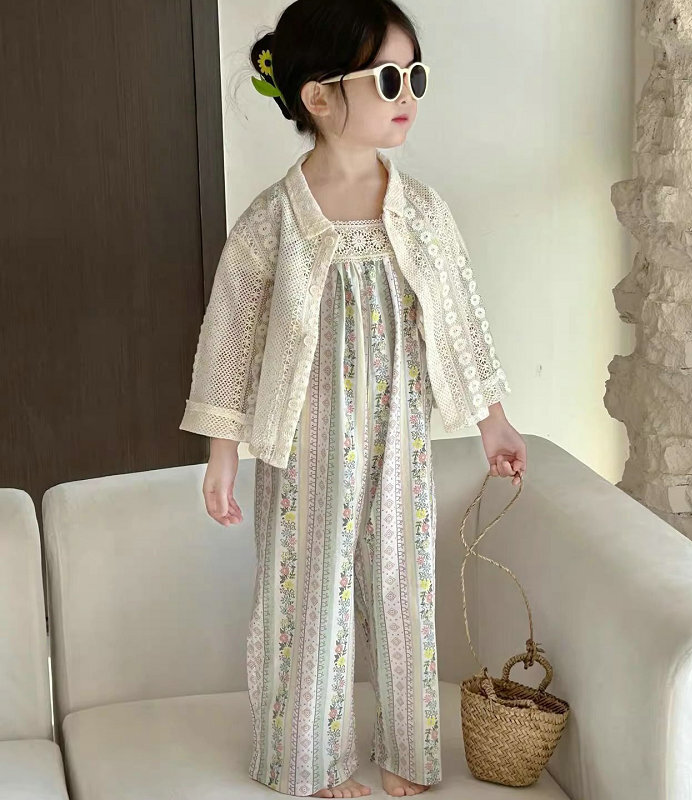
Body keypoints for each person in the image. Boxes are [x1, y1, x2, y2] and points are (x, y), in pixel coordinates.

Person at [179, 1, 526, 796]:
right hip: (305, 445)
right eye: (389, 79)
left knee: (403, 583)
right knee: (309, 587)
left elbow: (460, 321)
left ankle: (409, 753)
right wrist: (221, 456)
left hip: (400, 434)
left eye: (415, 76)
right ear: (320, 96)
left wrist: (494, 421)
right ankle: (309, 761)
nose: (409, 95)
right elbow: (230, 340)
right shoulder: (273, 221)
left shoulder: (423, 212)